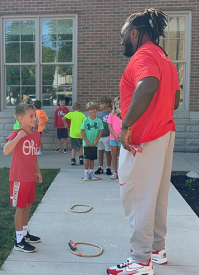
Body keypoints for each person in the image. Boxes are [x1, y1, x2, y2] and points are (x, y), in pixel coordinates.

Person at [107, 9, 180, 275]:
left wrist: (126, 125)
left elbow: (148, 85)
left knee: (137, 197)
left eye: (123, 36)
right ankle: (157, 249)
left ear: (134, 33)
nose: (121, 41)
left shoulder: (145, 55)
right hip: (164, 134)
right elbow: (175, 100)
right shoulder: (164, 58)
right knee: (157, 197)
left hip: (144, 139)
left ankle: (140, 260)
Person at [3, 103, 43, 253]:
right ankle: (19, 240)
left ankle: (25, 233)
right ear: (20, 119)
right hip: (19, 178)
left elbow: (34, 157)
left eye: (35, 116)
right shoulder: (16, 133)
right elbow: (6, 150)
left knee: (27, 206)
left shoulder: (36, 134)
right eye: (31, 116)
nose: (34, 119)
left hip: (30, 177)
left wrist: (37, 172)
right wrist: (19, 136)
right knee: (20, 208)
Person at [80, 102, 103, 181]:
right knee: (86, 158)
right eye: (90, 109)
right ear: (88, 110)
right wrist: (86, 141)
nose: (92, 111)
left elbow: (100, 131)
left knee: (92, 158)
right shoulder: (86, 120)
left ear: (96, 110)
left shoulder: (99, 121)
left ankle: (91, 172)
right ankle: (86, 172)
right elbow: (82, 131)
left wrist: (96, 140)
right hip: (87, 143)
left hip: (94, 143)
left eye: (94, 109)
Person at [95, 96, 113, 176]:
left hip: (108, 136)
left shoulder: (111, 114)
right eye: (100, 104)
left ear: (107, 104)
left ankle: (108, 167)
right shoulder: (99, 114)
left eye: (102, 104)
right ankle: (100, 167)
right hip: (100, 136)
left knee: (108, 152)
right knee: (100, 152)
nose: (100, 105)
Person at [107, 96, 122, 179]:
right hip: (113, 137)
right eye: (117, 104)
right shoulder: (111, 115)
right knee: (114, 154)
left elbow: (125, 124)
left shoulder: (124, 114)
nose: (118, 106)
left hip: (121, 137)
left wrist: (120, 135)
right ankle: (115, 171)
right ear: (114, 105)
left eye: (120, 104)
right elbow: (110, 126)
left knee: (121, 155)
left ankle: (120, 171)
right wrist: (115, 135)